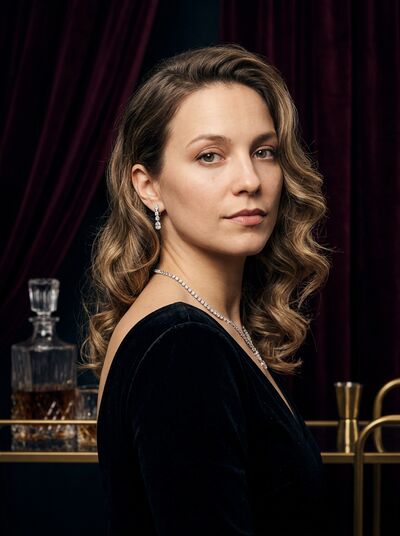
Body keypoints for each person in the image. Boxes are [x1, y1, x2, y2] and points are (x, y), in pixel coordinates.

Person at [81, 43, 333, 535]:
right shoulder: (181, 344)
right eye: (210, 156)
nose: (249, 180)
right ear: (148, 186)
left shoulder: (202, 325)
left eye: (263, 151)